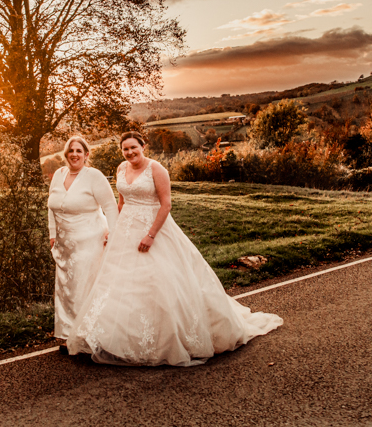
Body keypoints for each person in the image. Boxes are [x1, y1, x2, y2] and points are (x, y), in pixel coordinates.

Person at [66, 131, 282, 366]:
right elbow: (121, 202)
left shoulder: (156, 169)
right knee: (120, 283)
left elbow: (166, 204)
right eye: (125, 149)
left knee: (159, 281)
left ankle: (165, 338)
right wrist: (112, 228)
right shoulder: (121, 169)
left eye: (133, 148)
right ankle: (120, 338)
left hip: (154, 228)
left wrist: (150, 235)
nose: (129, 153)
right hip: (125, 231)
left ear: (143, 147)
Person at [47, 136, 118, 350]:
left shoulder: (93, 176)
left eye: (79, 150)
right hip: (64, 246)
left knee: (83, 288)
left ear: (86, 154)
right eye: (71, 151)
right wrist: (52, 234)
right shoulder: (58, 175)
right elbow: (51, 206)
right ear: (66, 154)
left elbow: (111, 207)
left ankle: (90, 337)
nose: (74, 154)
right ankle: (71, 336)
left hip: (91, 241)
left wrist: (113, 234)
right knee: (66, 290)